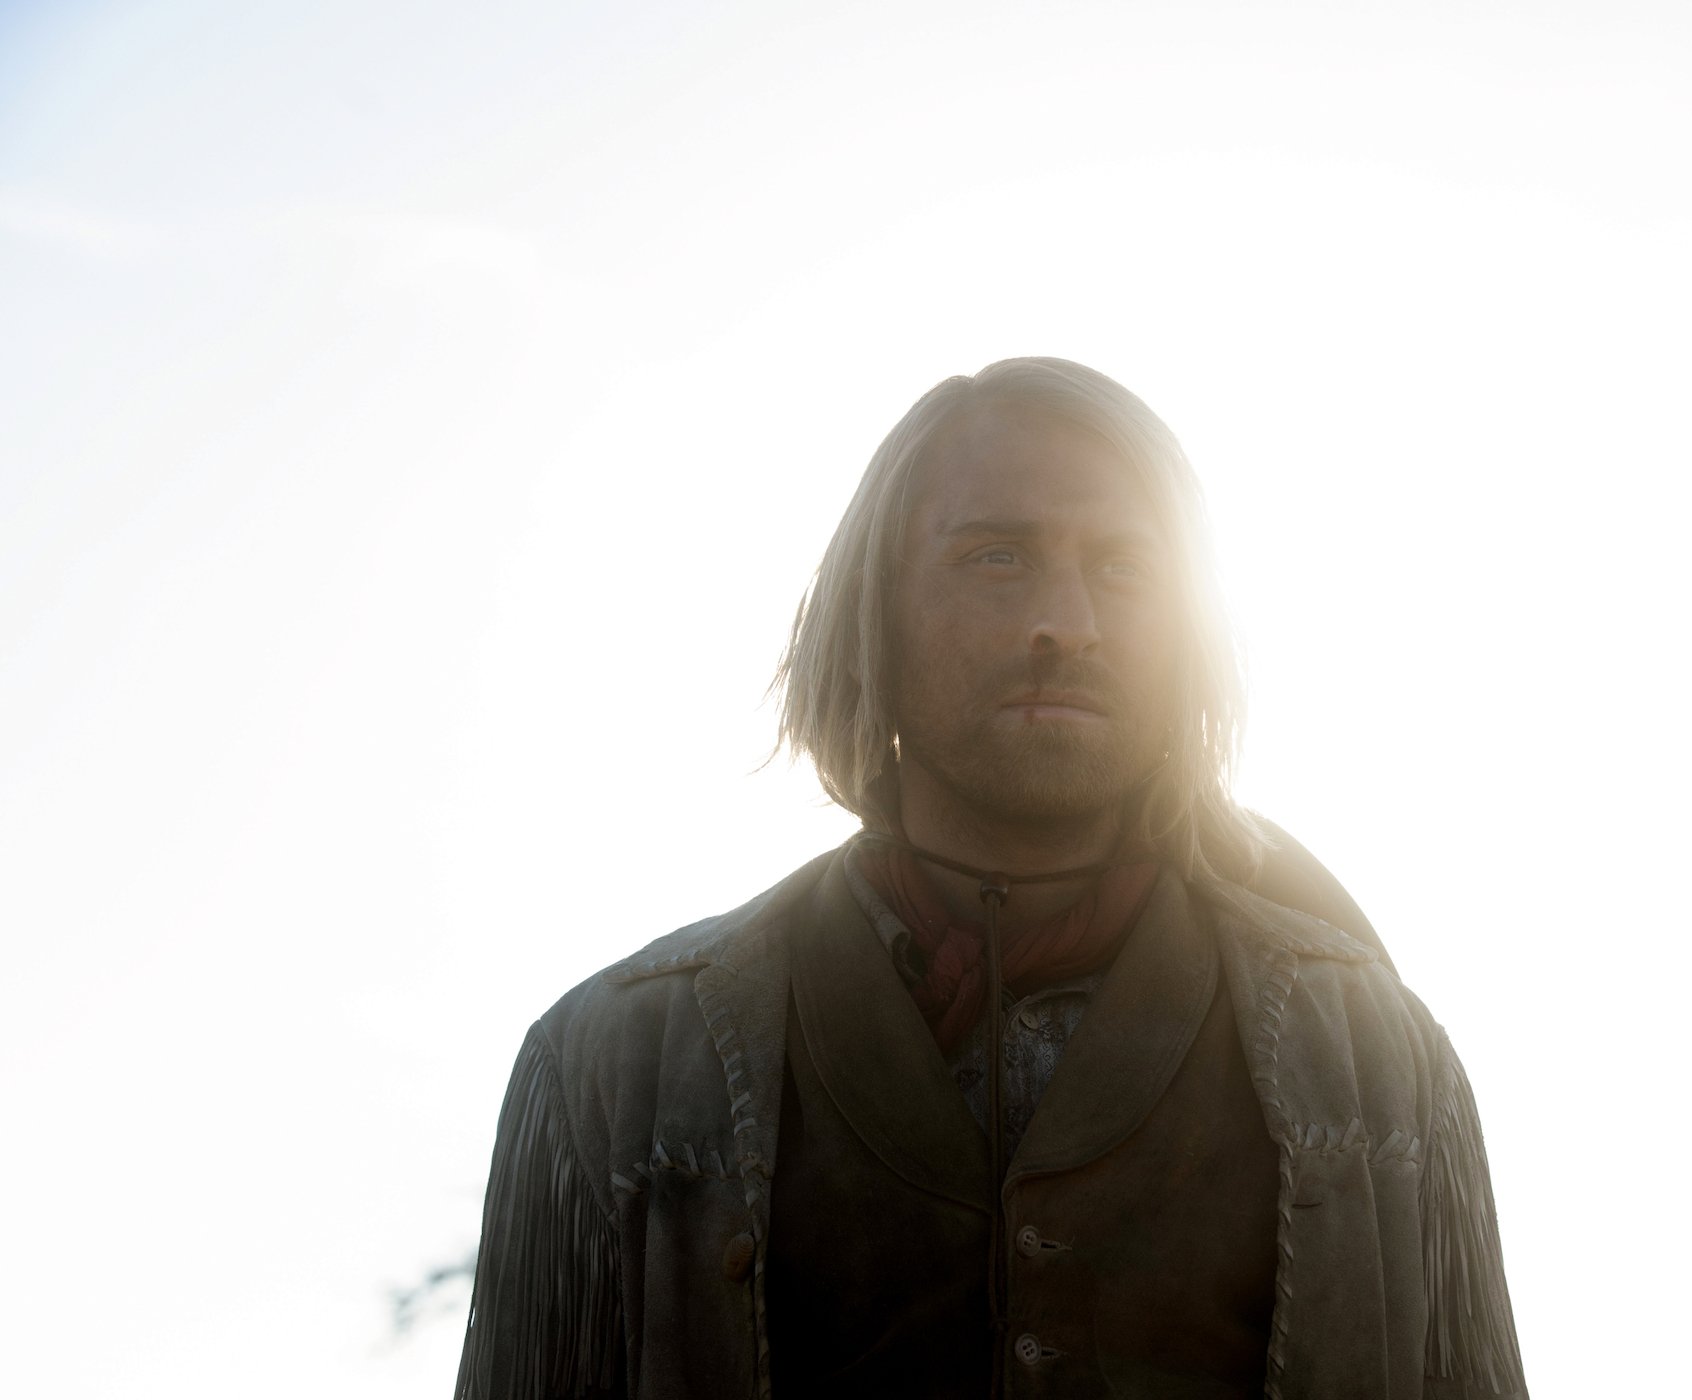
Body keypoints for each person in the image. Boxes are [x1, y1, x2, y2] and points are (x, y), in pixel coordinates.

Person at [455, 357, 1527, 1399]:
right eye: (998, 557)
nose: (1068, 620)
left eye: (1122, 566)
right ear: (874, 613)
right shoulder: (615, 1066)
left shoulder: (1380, 1065)